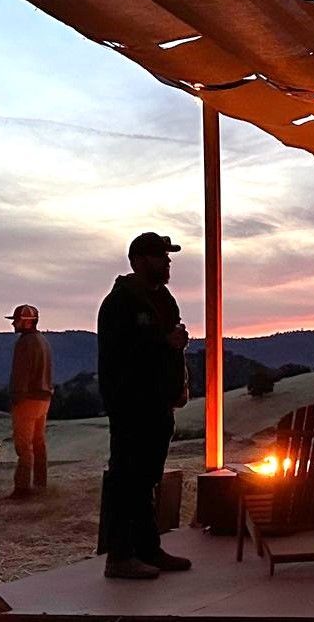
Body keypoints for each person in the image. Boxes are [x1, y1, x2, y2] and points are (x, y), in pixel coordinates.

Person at [97, 232, 192, 580]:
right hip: (130, 405)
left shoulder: (164, 300)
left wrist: (177, 363)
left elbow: (169, 343)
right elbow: (118, 355)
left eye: (167, 257)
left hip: (159, 405)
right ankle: (119, 556)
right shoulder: (119, 303)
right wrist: (162, 342)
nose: (167, 263)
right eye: (160, 256)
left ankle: (149, 549)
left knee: (147, 479)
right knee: (127, 479)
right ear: (138, 260)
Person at [6, 303, 53, 499]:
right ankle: (40, 484)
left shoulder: (24, 343)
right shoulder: (43, 341)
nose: (13, 324)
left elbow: (20, 374)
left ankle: (23, 489)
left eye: (16, 320)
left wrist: (16, 398)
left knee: (24, 446)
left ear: (26, 322)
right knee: (39, 442)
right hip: (44, 398)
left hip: (27, 399)